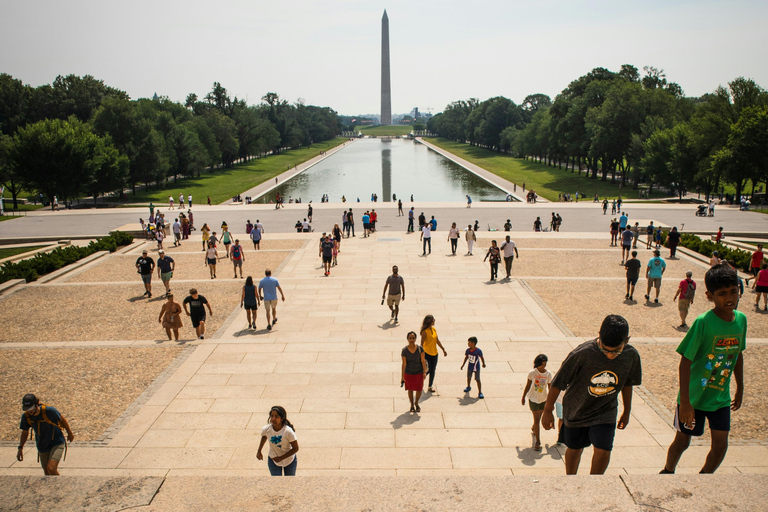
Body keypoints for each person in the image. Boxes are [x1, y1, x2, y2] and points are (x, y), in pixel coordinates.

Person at [660, 264, 744, 474]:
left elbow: (738, 353)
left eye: (733, 291)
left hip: (720, 398)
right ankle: (668, 471)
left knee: (720, 445)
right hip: (694, 399)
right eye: (722, 294)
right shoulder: (702, 323)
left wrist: (740, 387)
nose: (729, 298)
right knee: (682, 441)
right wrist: (686, 403)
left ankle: (704, 478)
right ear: (709, 296)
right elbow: (685, 362)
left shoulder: (741, 320)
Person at [542, 315, 642, 475]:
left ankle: (595, 482)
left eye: (616, 351)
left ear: (627, 340)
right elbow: (557, 382)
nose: (610, 355)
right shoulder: (582, 353)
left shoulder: (631, 356)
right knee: (574, 449)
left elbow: (628, 383)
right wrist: (547, 411)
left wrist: (627, 411)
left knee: (603, 450)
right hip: (577, 410)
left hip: (605, 411)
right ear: (599, 336)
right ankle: (571, 479)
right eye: (605, 349)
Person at [17, 394, 75, 475]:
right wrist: (20, 448)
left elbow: (62, 419)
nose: (29, 412)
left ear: (36, 404)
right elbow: (25, 432)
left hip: (56, 442)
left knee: (51, 468)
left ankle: (61, 487)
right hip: (42, 445)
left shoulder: (49, 411)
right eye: (27, 409)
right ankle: (53, 487)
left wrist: (70, 433)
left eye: (31, 409)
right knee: (47, 473)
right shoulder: (26, 416)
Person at [257, 406, 299, 476]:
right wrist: (259, 451)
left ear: (282, 418)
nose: (273, 419)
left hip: (289, 461)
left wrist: (281, 458)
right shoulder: (267, 429)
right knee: (276, 482)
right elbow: (264, 436)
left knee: (289, 482)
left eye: (277, 416)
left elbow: (296, 448)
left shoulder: (288, 432)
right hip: (273, 459)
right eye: (272, 416)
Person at [522, 354, 552, 451]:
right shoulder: (532, 373)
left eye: (544, 365)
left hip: (543, 399)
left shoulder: (548, 374)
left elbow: (550, 388)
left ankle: (534, 428)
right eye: (541, 365)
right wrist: (523, 396)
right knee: (536, 420)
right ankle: (538, 441)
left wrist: (551, 402)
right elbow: (528, 385)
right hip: (533, 399)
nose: (543, 367)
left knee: (538, 418)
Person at [401, 331, 427, 413]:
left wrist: (424, 372)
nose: (411, 340)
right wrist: (402, 376)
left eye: (413, 338)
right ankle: (412, 404)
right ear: (407, 339)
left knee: (419, 389)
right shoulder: (404, 350)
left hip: (418, 372)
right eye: (410, 338)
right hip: (409, 373)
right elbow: (404, 364)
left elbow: (423, 361)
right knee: (410, 389)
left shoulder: (420, 349)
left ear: (415, 339)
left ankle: (416, 403)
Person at [420, 315, 447, 393]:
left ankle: (430, 386)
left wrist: (443, 349)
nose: (434, 320)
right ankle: (420, 382)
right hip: (427, 353)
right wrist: (421, 354)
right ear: (429, 321)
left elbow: (437, 340)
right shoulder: (424, 332)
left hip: (435, 353)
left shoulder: (434, 329)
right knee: (427, 370)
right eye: (433, 320)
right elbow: (421, 344)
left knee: (433, 370)